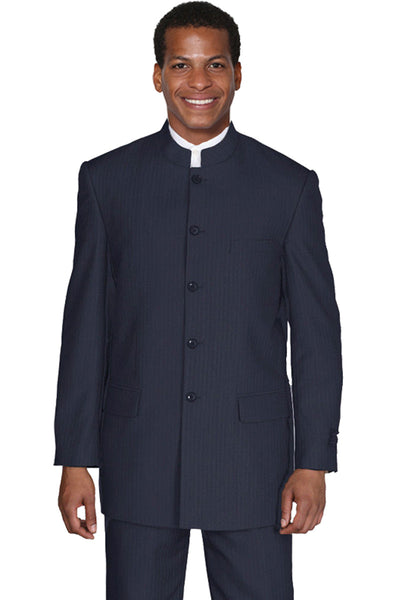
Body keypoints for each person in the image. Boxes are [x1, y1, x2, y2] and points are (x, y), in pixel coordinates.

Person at [53, 2, 343, 598]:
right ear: (158, 76)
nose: (199, 81)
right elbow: (85, 327)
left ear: (238, 73)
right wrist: (75, 458)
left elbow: (317, 336)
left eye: (215, 64)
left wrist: (313, 460)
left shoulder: (289, 185)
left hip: (254, 464)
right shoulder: (106, 181)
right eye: (181, 65)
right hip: (139, 454)